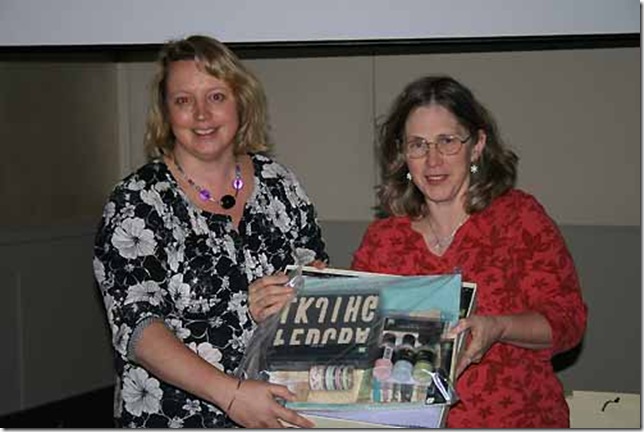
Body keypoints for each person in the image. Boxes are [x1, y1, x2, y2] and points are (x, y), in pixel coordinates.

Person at [93, 34, 328, 428]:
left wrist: (302, 293)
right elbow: (138, 328)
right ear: (166, 112)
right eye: (183, 100)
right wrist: (231, 394)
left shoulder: (280, 184)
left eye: (216, 96)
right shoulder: (137, 201)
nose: (201, 115)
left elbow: (316, 280)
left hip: (278, 412)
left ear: (241, 102)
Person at [351, 75, 587, 428]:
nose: (432, 160)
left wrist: (498, 327)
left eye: (447, 141)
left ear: (476, 146)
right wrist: (305, 299)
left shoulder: (519, 219)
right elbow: (355, 338)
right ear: (402, 155)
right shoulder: (383, 241)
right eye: (418, 145)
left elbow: (568, 322)